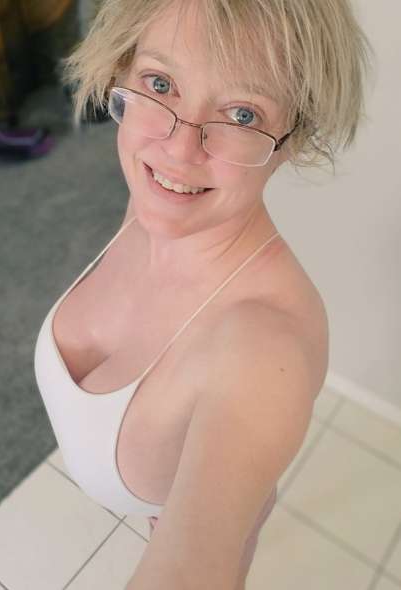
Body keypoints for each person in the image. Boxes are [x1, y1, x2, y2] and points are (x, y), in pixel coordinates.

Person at [34, 1, 372, 588]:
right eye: (161, 83)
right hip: (152, 496)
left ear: (293, 138)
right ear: (121, 70)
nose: (179, 149)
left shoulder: (263, 352)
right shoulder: (159, 202)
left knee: (231, 538)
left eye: (242, 114)